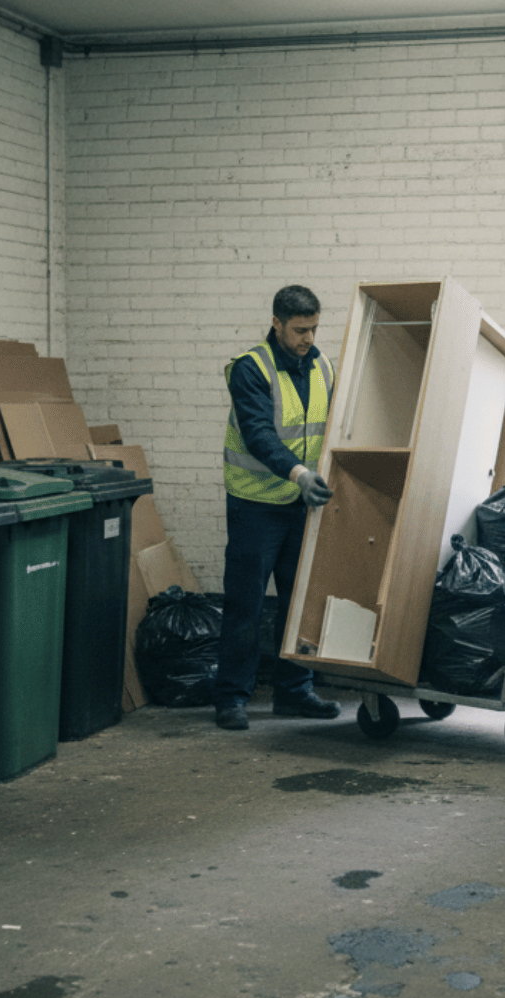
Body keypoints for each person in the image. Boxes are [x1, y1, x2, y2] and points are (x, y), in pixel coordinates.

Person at [210, 285, 342, 731]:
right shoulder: (250, 369)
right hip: (256, 504)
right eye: (300, 330)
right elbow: (258, 433)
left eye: (314, 328)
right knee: (245, 604)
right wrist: (299, 474)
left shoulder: (323, 367)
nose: (309, 338)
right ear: (277, 324)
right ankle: (232, 697)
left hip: (302, 504)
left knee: (298, 601)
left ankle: (295, 691)